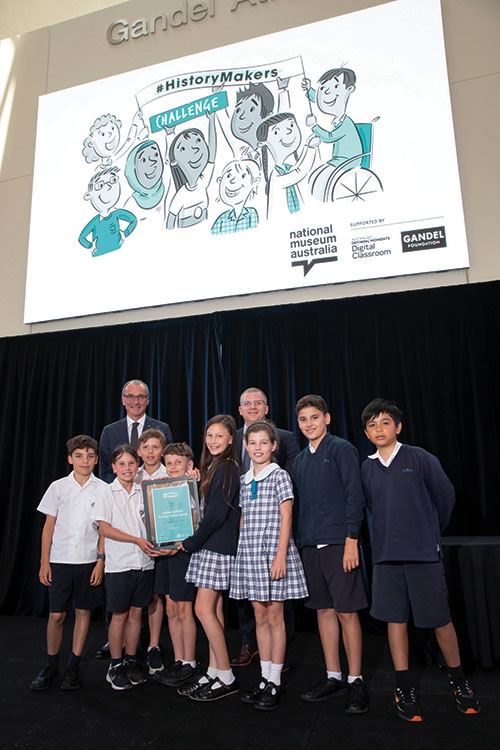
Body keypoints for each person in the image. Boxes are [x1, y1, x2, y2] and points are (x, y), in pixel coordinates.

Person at [361, 398, 481, 721]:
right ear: (367, 433)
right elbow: (373, 506)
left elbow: (445, 497)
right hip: (386, 557)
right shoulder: (367, 466)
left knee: (440, 618)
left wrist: (428, 533)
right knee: (395, 620)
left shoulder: (420, 458)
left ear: (398, 427)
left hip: (423, 554)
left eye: (385, 422)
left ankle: (459, 682)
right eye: (372, 425)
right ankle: (403, 686)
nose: (379, 429)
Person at [292, 394, 368, 714]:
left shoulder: (341, 449)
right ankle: (333, 675)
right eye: (303, 419)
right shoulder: (297, 461)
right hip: (310, 546)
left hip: (339, 543)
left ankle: (356, 680)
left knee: (346, 611)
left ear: (327, 418)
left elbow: (355, 495)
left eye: (314, 417)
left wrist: (351, 539)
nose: (309, 424)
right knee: (323, 610)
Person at [230, 421, 308, 711]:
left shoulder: (280, 476)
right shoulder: (244, 479)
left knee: (275, 617)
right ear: (246, 447)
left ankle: (275, 680)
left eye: (264, 443)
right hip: (250, 555)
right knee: (259, 617)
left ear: (274, 446)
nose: (258, 448)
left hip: (273, 554)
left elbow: (286, 518)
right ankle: (264, 677)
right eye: (253, 443)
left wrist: (280, 556)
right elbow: (242, 519)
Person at [30, 435, 107, 692]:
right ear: (69, 459)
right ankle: (51, 666)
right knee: (56, 614)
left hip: (87, 561)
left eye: (89, 456)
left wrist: (100, 561)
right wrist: (44, 562)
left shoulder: (103, 489)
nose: (84, 461)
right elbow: (48, 528)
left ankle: (73, 666)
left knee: (84, 612)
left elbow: (104, 531)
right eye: (79, 455)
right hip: (60, 560)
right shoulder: (58, 487)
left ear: (96, 459)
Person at [232, 387, 300, 668]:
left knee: (276, 613)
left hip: (274, 545)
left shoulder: (284, 446)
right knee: (256, 611)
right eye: (246, 403)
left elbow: (288, 511)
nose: (251, 407)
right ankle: (258, 657)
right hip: (249, 548)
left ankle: (277, 665)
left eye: (257, 402)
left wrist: (281, 553)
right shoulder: (234, 441)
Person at [177, 415, 240, 702]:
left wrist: (191, 543)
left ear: (230, 440)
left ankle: (226, 674)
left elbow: (216, 516)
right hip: (211, 546)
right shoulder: (215, 467)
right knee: (212, 611)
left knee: (203, 610)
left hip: (216, 547)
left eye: (219, 436)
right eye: (209, 436)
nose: (213, 441)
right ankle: (214, 670)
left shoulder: (228, 467)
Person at [92, 445, 156, 690]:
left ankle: (130, 660)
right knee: (119, 615)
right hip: (120, 564)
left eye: (131, 463)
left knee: (137, 615)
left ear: (136, 465)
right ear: (113, 467)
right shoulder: (107, 492)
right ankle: (115, 665)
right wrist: (136, 540)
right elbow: (104, 529)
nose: (127, 468)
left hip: (145, 563)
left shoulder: (145, 491)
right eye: (122, 464)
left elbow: (151, 522)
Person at [150, 442, 198, 687]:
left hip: (182, 554)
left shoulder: (193, 488)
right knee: (170, 609)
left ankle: (189, 661)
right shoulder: (159, 487)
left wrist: (178, 544)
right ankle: (179, 660)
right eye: (168, 462)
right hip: (163, 554)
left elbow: (196, 523)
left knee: (184, 609)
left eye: (178, 462)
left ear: (189, 464)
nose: (172, 467)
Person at [301, 67, 363, 202]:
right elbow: (322, 101)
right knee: (317, 175)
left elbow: (329, 137)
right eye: (323, 89)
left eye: (335, 86)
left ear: (349, 90)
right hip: (337, 161)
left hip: (347, 162)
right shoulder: (339, 121)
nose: (327, 92)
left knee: (323, 179)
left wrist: (314, 126)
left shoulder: (346, 124)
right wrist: (309, 90)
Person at [98, 379, 173, 484]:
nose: (136, 401)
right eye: (130, 396)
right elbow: (105, 470)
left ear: (147, 400)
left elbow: (169, 463)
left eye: (141, 396)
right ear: (123, 400)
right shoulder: (109, 432)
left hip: (155, 490)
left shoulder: (162, 429)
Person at [256, 113, 319, 218]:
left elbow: (297, 170)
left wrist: (309, 143)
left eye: (291, 126)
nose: (289, 132)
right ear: (263, 143)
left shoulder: (288, 168)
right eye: (276, 132)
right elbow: (298, 173)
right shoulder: (276, 177)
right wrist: (310, 148)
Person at [78, 166, 137, 257]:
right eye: (100, 185)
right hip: (99, 255)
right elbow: (81, 238)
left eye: (113, 180)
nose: (108, 186)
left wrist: (125, 233)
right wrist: (90, 245)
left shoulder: (116, 214)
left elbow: (133, 220)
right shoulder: (96, 221)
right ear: (89, 195)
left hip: (119, 251)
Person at [210, 159, 260, 235]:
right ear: (220, 180)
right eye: (229, 176)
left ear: (255, 182)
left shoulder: (252, 214)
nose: (232, 181)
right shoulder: (221, 220)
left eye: (243, 176)